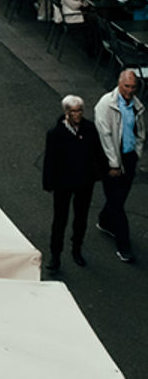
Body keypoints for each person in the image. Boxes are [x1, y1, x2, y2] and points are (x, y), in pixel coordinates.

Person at [42, 94, 105, 270]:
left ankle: (77, 248)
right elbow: (50, 160)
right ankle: (55, 255)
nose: (77, 115)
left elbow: (97, 152)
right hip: (63, 183)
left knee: (81, 218)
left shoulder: (89, 128)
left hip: (84, 182)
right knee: (60, 219)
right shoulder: (56, 133)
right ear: (66, 112)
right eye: (74, 111)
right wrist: (48, 182)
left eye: (80, 111)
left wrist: (100, 171)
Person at [94, 70, 145, 263]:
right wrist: (114, 164)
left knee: (120, 197)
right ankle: (124, 246)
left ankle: (104, 221)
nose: (130, 91)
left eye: (133, 87)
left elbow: (140, 131)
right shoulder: (105, 105)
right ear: (119, 84)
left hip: (129, 157)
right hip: (110, 161)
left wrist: (137, 152)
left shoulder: (136, 105)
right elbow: (106, 137)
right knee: (117, 203)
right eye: (126, 86)